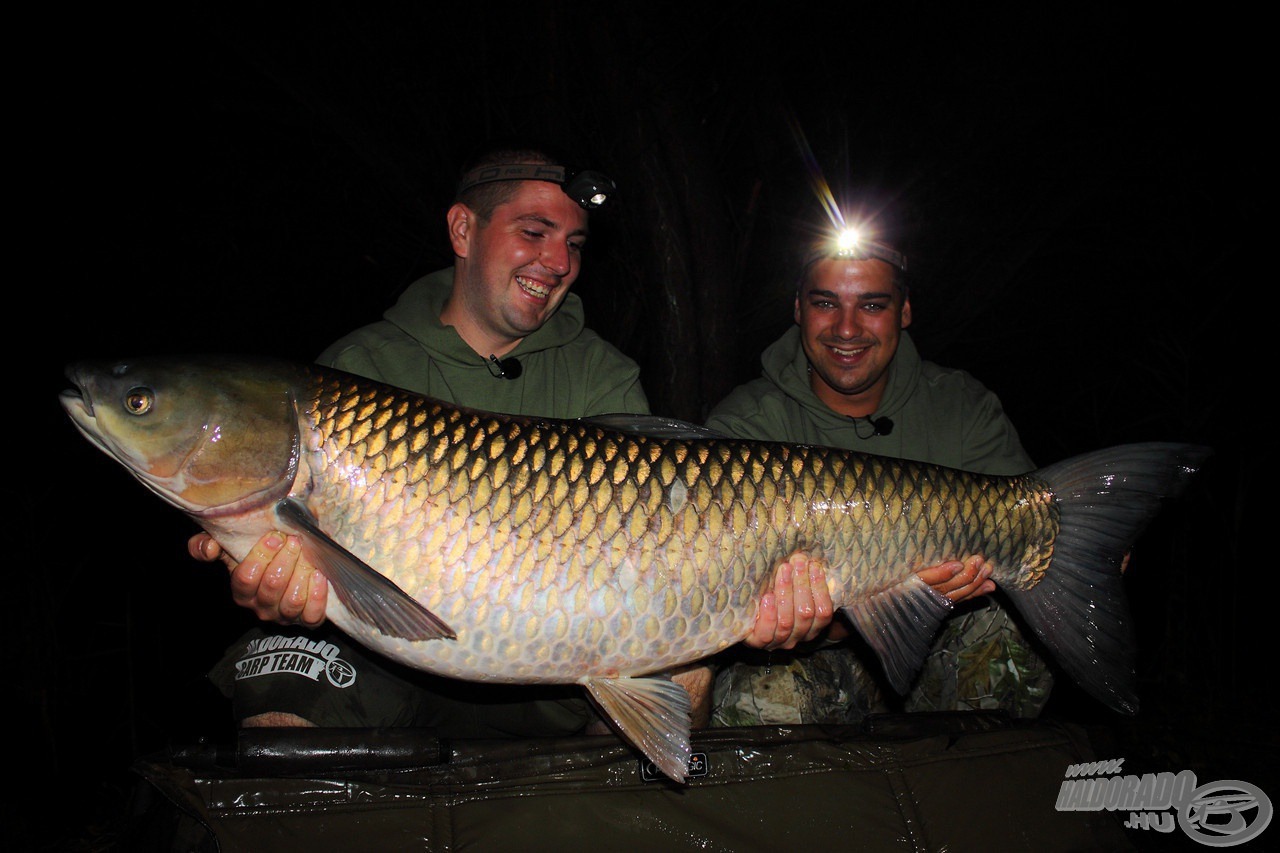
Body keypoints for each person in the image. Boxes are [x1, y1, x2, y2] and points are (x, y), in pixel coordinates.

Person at [193, 148, 992, 735]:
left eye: (573, 244)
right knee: (278, 693)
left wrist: (779, 604)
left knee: (691, 671)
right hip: (392, 657)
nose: (557, 262)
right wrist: (270, 590)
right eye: (535, 232)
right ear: (463, 229)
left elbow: (657, 549)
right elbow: (304, 578)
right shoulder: (361, 367)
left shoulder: (602, 376)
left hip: (564, 661)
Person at [705, 231, 1053, 727]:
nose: (846, 329)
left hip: (941, 648)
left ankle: (964, 789)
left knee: (1013, 630)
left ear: (904, 312)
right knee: (758, 700)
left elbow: (1036, 533)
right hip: (815, 659)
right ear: (799, 309)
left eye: (872, 305)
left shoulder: (961, 406)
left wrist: (1063, 540)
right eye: (826, 303)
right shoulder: (744, 426)